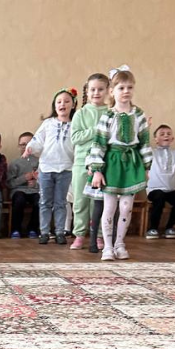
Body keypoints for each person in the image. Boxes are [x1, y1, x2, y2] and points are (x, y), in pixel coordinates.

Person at [87, 65, 152, 261]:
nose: (126, 92)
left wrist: (146, 166)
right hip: (112, 164)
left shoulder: (139, 115)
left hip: (131, 163)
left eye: (129, 88)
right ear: (112, 91)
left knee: (126, 206)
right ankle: (107, 246)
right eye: (121, 88)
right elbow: (98, 143)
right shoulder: (108, 116)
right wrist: (97, 170)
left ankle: (120, 243)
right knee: (109, 207)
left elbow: (144, 141)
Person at [25, 88, 77, 245]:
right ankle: (45, 232)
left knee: (61, 202)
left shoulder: (75, 125)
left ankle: (60, 232)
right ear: (54, 106)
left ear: (73, 105)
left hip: (66, 169)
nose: (63, 104)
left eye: (67, 101)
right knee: (45, 202)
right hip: (47, 169)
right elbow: (37, 140)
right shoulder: (48, 124)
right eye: (59, 102)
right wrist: (30, 148)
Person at [70, 73, 109, 251]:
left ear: (107, 91)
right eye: (92, 89)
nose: (96, 93)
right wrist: (96, 131)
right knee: (80, 201)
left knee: (99, 202)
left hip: (102, 164)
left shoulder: (110, 113)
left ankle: (99, 235)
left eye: (100, 89)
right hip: (80, 163)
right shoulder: (80, 113)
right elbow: (75, 138)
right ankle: (79, 235)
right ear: (87, 91)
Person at [7, 132, 39, 238]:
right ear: (19, 146)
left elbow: (46, 181)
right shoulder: (15, 163)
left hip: (35, 191)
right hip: (18, 190)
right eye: (23, 144)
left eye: (29, 143)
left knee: (40, 201)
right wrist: (24, 178)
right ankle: (16, 229)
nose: (26, 147)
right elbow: (10, 183)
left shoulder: (40, 162)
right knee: (19, 200)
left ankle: (33, 229)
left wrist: (36, 183)